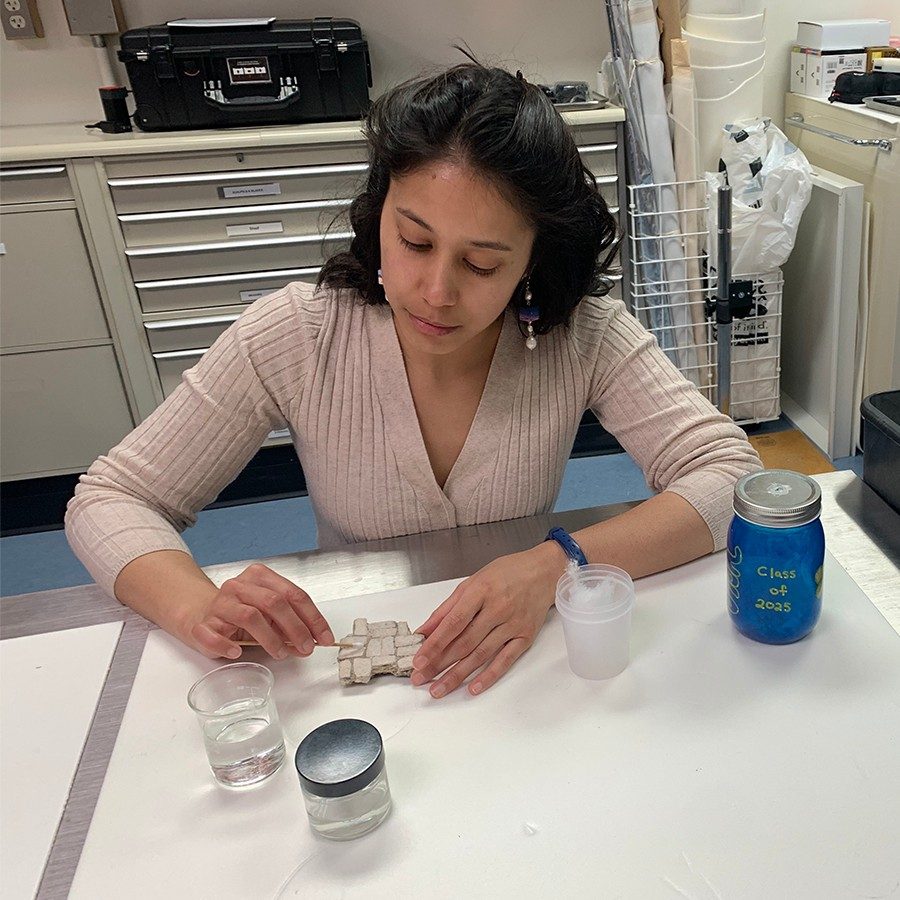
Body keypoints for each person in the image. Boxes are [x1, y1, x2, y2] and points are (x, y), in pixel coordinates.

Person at [65, 62, 761, 700]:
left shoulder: (582, 335)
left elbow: (730, 476)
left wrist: (559, 563)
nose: (434, 291)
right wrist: (197, 603)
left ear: (530, 262)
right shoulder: (298, 334)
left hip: (522, 670)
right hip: (352, 669)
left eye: (482, 265)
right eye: (416, 242)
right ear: (379, 217)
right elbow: (110, 498)